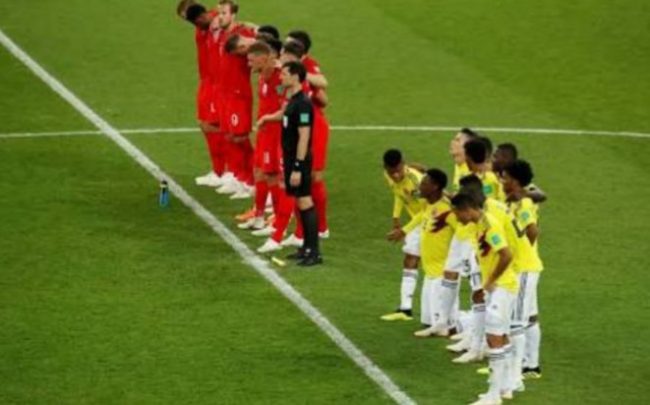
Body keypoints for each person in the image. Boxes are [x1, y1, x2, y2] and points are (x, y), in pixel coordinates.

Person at [452, 192, 519, 405]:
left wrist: (490, 281)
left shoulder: (490, 225)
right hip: (499, 287)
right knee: (502, 336)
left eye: (457, 213)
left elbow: (506, 254)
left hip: (502, 287)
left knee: (494, 339)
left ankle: (493, 395)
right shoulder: (478, 225)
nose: (456, 218)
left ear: (466, 209)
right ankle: (506, 387)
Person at [388, 169, 459, 336]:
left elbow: (464, 232)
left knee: (446, 328)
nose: (420, 186)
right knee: (427, 322)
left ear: (435, 187)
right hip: (430, 272)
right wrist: (404, 231)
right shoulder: (428, 205)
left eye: (424, 183)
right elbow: (420, 216)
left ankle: (472, 326)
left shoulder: (447, 210)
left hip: (443, 273)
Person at [280, 35, 331, 246]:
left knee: (310, 179)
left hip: (312, 128)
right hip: (296, 127)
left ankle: (316, 230)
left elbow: (324, 92)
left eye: (287, 58)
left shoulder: (303, 73)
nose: (283, 60)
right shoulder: (286, 77)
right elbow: (323, 99)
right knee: (300, 183)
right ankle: (305, 231)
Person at [502, 160, 545, 381]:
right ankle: (531, 366)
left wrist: (523, 249)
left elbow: (532, 230)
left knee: (517, 320)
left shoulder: (523, 204)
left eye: (505, 178)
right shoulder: (515, 202)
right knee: (530, 316)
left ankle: (514, 370)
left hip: (524, 268)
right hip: (528, 267)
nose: (502, 181)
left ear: (515, 181)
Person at [177, 2, 226, 188]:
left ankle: (226, 171)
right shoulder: (202, 26)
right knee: (205, 124)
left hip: (216, 82)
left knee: (214, 126)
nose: (189, 22)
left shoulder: (215, 20)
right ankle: (219, 170)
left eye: (187, 17)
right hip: (206, 81)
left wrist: (220, 17)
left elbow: (227, 14)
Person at [212, 0, 257, 200]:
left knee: (240, 137)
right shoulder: (223, 34)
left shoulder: (243, 34)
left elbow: (263, 43)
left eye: (224, 13)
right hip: (224, 93)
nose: (220, 16)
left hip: (238, 93)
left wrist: (255, 28)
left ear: (233, 15)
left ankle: (252, 180)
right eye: (219, 13)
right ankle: (239, 176)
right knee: (229, 135)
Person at [279, 61, 322, 266]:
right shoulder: (293, 100)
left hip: (299, 159)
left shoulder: (303, 103)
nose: (281, 77)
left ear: (295, 76)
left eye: (284, 73)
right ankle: (306, 247)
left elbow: (304, 136)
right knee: (300, 201)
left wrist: (298, 166)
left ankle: (314, 251)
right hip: (291, 158)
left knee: (305, 201)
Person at [381, 149, 426, 321]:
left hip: (432, 220)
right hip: (417, 222)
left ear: (403, 164)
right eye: (391, 172)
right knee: (410, 259)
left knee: (436, 266)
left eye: (398, 171)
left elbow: (426, 210)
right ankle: (405, 309)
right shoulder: (388, 176)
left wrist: (404, 230)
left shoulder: (416, 181)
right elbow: (398, 194)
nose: (396, 175)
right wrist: (396, 218)